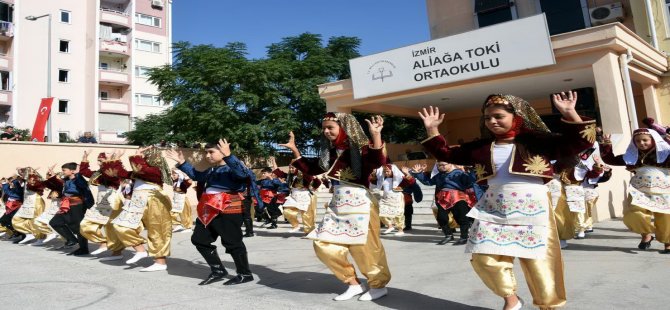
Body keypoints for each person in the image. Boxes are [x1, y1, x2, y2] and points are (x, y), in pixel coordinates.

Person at [418, 91, 595, 309]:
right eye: (487, 117)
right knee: (484, 258)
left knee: (540, 263)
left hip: (533, 207)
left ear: (516, 116)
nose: (492, 121)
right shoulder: (481, 147)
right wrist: (432, 128)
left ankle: (550, 306)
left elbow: (580, 142)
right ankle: (511, 298)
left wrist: (570, 113)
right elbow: (446, 154)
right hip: (493, 208)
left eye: (499, 116)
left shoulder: (538, 142)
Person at [280, 113, 391, 301]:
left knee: (365, 248)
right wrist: (295, 151)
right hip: (337, 205)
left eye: (330, 127)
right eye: (324, 128)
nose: (326, 131)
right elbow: (314, 169)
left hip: (361, 203)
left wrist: (376, 135)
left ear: (344, 127)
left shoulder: (361, 148)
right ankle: (353, 284)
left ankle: (377, 285)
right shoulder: (331, 152)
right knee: (323, 244)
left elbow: (378, 161)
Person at [168, 139, 260, 285]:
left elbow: (243, 175)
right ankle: (218, 270)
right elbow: (197, 176)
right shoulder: (211, 170)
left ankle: (244, 274)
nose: (207, 156)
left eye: (211, 152)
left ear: (223, 152)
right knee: (199, 239)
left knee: (232, 242)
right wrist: (182, 162)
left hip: (228, 208)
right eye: (206, 152)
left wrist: (229, 156)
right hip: (208, 208)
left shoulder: (234, 168)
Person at [600, 128, 670, 253]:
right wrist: (606, 145)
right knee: (633, 214)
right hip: (639, 191)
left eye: (645, 140)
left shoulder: (666, 153)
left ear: (653, 140)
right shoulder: (632, 155)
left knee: (666, 217)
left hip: (664, 191)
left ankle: (668, 243)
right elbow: (610, 160)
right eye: (638, 141)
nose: (642, 143)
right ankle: (646, 234)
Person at [104, 146, 173, 271]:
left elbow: (141, 169)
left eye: (145, 154)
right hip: (137, 201)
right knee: (121, 225)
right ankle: (140, 250)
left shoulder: (155, 170)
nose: (142, 156)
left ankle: (160, 262)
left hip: (154, 199)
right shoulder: (139, 171)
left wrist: (136, 156)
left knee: (157, 230)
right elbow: (117, 173)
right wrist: (116, 160)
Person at [408, 162, 479, 245]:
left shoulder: (459, 173)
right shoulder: (439, 175)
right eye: (439, 166)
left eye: (443, 165)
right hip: (443, 198)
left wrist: (471, 170)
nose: (441, 167)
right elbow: (428, 182)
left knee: (461, 218)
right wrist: (418, 173)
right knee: (441, 218)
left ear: (450, 164)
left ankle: (464, 237)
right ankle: (448, 235)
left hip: (457, 197)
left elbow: (471, 182)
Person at [78, 151, 126, 256]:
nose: (99, 163)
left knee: (111, 228)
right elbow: (85, 172)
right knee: (85, 224)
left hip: (113, 200)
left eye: (101, 160)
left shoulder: (114, 171)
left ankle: (116, 253)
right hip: (101, 201)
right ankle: (103, 243)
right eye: (98, 160)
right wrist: (85, 159)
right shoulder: (99, 172)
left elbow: (109, 176)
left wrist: (111, 161)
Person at [48, 162, 95, 256]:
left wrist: (78, 174)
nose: (63, 172)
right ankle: (72, 240)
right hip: (66, 204)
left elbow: (83, 186)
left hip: (77, 205)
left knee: (77, 227)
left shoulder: (79, 179)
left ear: (72, 171)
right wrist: (52, 174)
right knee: (54, 222)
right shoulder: (66, 179)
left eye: (64, 170)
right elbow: (57, 183)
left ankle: (83, 248)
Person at [271, 159, 322, 234]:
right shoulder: (289, 175)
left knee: (306, 216)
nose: (291, 169)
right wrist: (273, 163)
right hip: (294, 196)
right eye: (290, 167)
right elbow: (278, 172)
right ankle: (295, 226)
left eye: (293, 168)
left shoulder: (304, 174)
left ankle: (309, 232)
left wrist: (314, 186)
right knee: (287, 211)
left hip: (304, 196)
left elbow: (317, 181)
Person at [372, 164, 416, 237]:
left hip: (397, 198)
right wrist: (374, 174)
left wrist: (407, 173)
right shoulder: (383, 179)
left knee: (398, 215)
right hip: (385, 199)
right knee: (381, 213)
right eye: (384, 172)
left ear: (393, 171)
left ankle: (400, 229)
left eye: (388, 171)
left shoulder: (400, 179)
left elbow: (411, 182)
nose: (386, 173)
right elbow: (373, 181)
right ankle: (390, 226)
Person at [10, 168, 47, 245]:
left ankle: (40, 238)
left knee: (34, 220)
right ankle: (29, 234)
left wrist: (31, 177)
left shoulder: (34, 179)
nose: (20, 175)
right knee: (16, 218)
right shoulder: (25, 181)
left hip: (35, 201)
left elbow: (36, 186)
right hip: (27, 203)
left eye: (22, 173)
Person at [170, 169, 194, 233]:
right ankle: (177, 224)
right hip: (176, 200)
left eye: (174, 174)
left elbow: (189, 182)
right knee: (172, 213)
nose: (173, 176)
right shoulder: (175, 182)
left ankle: (188, 227)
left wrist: (185, 176)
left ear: (179, 175)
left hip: (183, 200)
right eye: (172, 174)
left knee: (185, 214)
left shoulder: (182, 183)